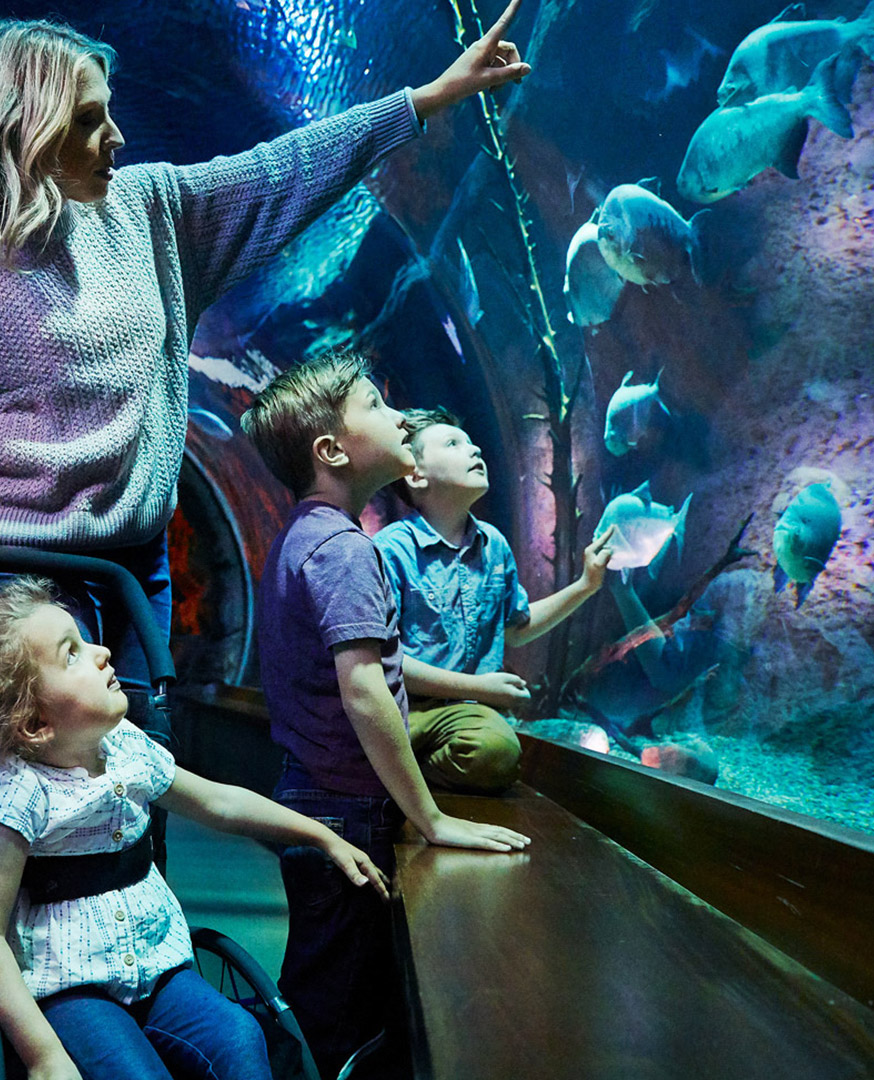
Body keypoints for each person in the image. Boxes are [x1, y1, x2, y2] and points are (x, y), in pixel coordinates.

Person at [0, 3, 534, 744]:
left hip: (137, 567)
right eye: (87, 120)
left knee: (142, 775)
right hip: (19, 571)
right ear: (24, 128)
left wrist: (425, 100)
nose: (115, 136)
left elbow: (282, 171)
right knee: (36, 809)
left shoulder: (150, 211)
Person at [0, 578, 388, 1080]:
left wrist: (319, 834)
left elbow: (217, 801)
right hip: (63, 982)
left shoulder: (126, 746)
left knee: (241, 1039)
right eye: (72, 654)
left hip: (150, 962)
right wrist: (44, 1057)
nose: (103, 652)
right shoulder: (16, 794)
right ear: (35, 724)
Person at [238, 352, 531, 1077]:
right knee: (343, 1006)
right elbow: (365, 690)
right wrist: (431, 819)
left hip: (312, 792)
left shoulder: (302, 539)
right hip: (345, 810)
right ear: (333, 451)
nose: (399, 416)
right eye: (376, 403)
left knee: (320, 977)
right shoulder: (345, 552)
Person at [374, 407, 614, 793]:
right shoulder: (390, 550)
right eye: (453, 443)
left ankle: (401, 775)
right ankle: (397, 774)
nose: (475, 450)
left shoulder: (494, 545)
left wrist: (586, 584)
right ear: (416, 476)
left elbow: (516, 629)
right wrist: (479, 688)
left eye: (471, 443)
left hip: (466, 718)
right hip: (404, 708)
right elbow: (384, 662)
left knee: (496, 750)